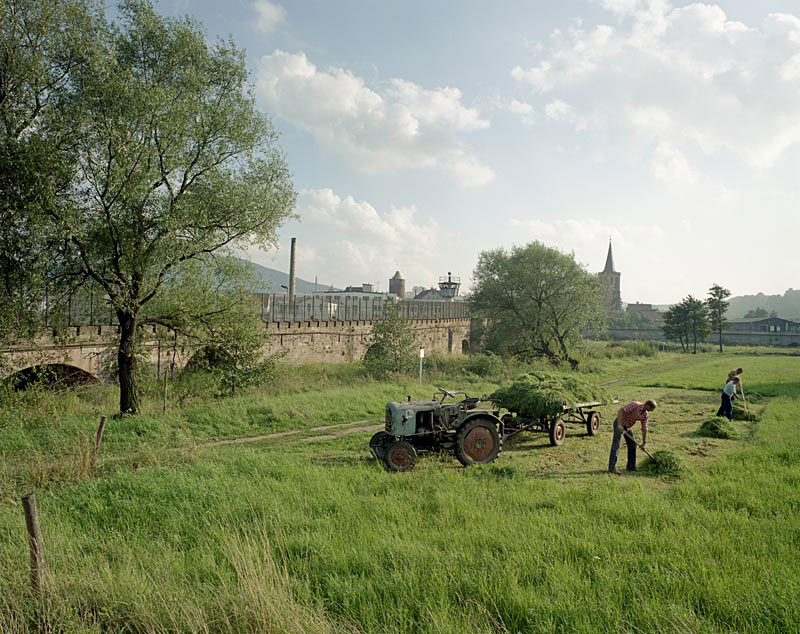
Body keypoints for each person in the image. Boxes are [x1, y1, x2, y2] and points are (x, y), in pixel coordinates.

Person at [608, 399, 657, 474]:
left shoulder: (645, 415)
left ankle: (631, 467)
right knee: (616, 444)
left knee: (632, 444)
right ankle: (612, 468)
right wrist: (620, 424)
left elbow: (644, 428)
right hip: (619, 423)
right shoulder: (635, 405)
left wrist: (644, 442)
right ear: (647, 405)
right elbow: (621, 410)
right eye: (651, 409)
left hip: (627, 427)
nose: (651, 411)